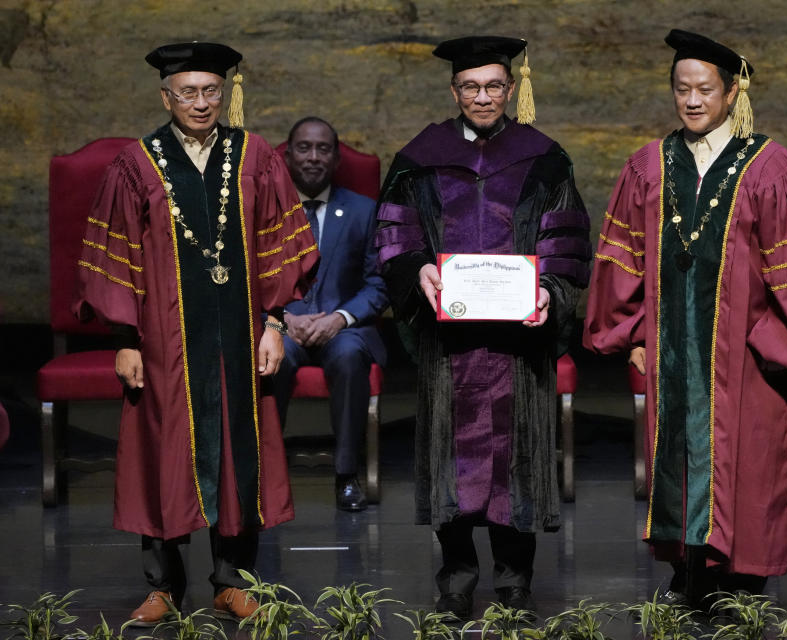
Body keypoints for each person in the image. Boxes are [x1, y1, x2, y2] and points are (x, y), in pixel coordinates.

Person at [582, 29, 787, 609]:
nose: (693, 101)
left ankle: (745, 580)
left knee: (752, 463)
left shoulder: (769, 168)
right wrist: (632, 335)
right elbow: (624, 261)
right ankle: (690, 571)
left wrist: (775, 341)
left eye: (705, 90)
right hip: (675, 349)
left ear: (731, 93)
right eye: (681, 89)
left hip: (747, 354)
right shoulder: (650, 164)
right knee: (680, 460)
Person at [73, 42, 318, 624]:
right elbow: (114, 256)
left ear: (225, 93)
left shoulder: (255, 154)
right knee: (163, 451)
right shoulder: (138, 163)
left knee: (240, 452)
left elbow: (279, 247)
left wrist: (275, 323)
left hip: (239, 337)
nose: (201, 103)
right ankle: (163, 586)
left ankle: (232, 580)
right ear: (166, 96)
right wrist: (126, 338)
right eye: (188, 92)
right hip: (163, 343)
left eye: (211, 90)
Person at [375, 35, 591, 619]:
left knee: (517, 457)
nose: (483, 96)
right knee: (452, 459)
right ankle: (455, 581)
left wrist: (548, 291)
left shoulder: (544, 157)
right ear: (453, 90)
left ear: (512, 89)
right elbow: (396, 235)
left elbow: (565, 241)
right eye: (471, 86)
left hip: (518, 344)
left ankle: (515, 581)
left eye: (494, 85)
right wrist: (418, 268)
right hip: (450, 343)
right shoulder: (420, 157)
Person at [273, 116, 388, 512]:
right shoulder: (263, 214)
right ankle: (264, 476)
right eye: (304, 147)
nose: (313, 157)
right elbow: (250, 280)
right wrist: (283, 318)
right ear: (286, 156)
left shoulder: (363, 211)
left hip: (342, 328)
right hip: (283, 325)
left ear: (337, 159)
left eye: (323, 149)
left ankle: (346, 476)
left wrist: (339, 317)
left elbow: (379, 284)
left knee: (350, 355)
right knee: (273, 357)